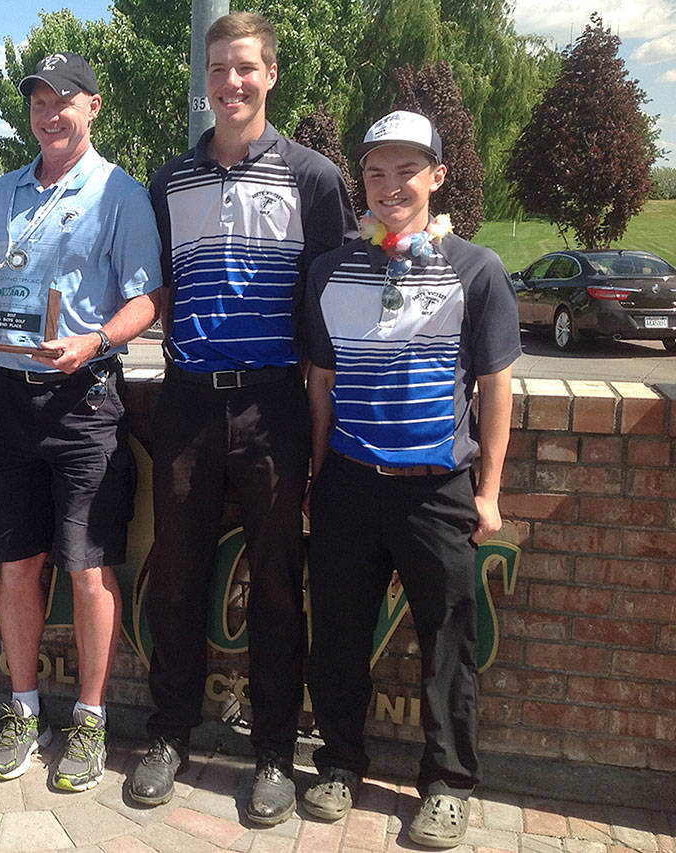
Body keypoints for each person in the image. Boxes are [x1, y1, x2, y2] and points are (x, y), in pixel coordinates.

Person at [129, 12, 356, 820]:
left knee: (275, 586)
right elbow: (153, 291)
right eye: (218, 69)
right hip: (187, 398)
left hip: (274, 404)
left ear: (272, 76)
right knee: (179, 578)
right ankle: (169, 733)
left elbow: (334, 311)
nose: (231, 83)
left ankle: (271, 750)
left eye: (245, 69)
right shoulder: (169, 182)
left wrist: (323, 421)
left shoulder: (316, 179)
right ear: (206, 78)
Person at [297, 110, 519, 849]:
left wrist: (487, 491)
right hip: (350, 483)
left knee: (448, 644)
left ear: (437, 176)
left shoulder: (477, 269)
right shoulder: (330, 269)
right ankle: (338, 763)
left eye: (406, 170)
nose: (389, 185)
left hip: (437, 489)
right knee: (336, 635)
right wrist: (318, 475)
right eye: (375, 171)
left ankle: (449, 783)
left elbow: (495, 387)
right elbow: (321, 384)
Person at [0, 52, 163, 792]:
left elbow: (147, 300)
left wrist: (95, 340)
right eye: (38, 100)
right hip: (9, 400)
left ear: (92, 106)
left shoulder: (121, 195)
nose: (49, 112)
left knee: (88, 565)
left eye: (63, 99)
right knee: (15, 563)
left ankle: (92, 718)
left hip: (85, 403)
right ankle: (23, 708)